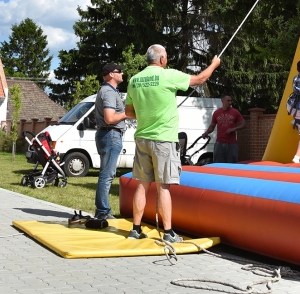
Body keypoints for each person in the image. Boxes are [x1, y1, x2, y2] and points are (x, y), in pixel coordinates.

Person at [125, 45, 220, 243]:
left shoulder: (134, 80)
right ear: (161, 60)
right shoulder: (168, 75)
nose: (166, 59)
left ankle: (135, 229)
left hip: (142, 138)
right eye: (166, 56)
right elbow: (200, 80)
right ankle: (168, 233)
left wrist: (145, 115)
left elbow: (129, 112)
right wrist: (214, 64)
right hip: (164, 139)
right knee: (163, 186)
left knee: (142, 185)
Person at [93, 62, 128, 220]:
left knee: (106, 174)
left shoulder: (108, 91)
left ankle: (101, 210)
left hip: (107, 134)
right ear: (111, 75)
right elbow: (109, 118)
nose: (122, 73)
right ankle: (103, 212)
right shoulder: (108, 92)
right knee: (107, 175)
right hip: (110, 134)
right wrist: (127, 113)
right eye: (119, 71)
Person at [201, 95, 245, 163]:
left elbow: (244, 124)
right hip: (219, 143)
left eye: (231, 101)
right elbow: (212, 126)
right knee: (218, 164)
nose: (230, 103)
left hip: (232, 144)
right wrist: (206, 133)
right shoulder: (217, 113)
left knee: (232, 165)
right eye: (228, 101)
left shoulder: (235, 112)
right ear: (222, 101)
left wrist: (234, 129)